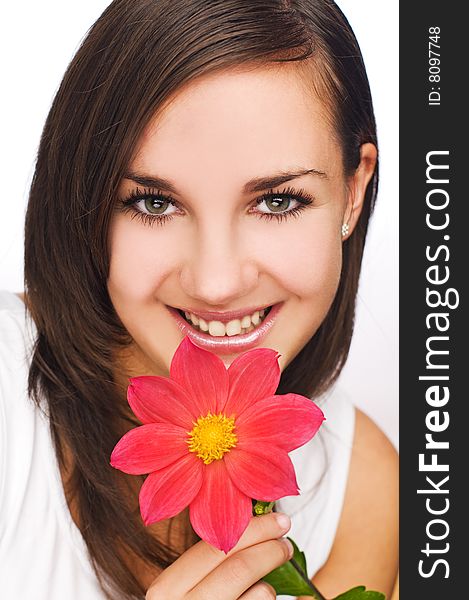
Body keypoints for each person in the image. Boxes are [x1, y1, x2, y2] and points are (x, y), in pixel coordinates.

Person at [0, 0, 398, 598]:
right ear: (87, 204)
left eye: (278, 201)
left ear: (351, 192)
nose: (215, 284)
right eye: (154, 203)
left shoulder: (363, 490)